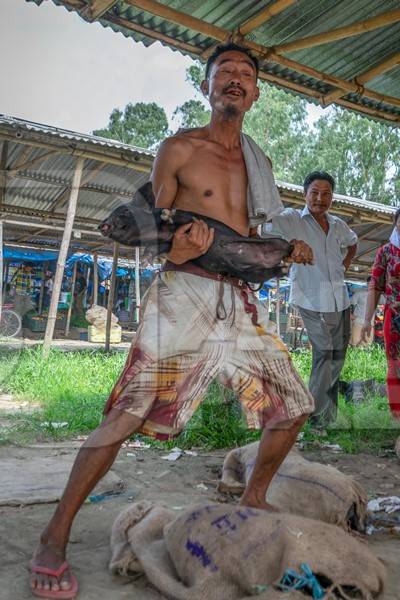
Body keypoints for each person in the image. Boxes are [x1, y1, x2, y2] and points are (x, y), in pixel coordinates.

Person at [29, 43, 315, 598]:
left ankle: (253, 498)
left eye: (246, 75)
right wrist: (177, 253)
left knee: (293, 405)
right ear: (206, 88)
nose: (235, 80)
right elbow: (152, 229)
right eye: (224, 73)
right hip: (184, 293)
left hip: (236, 301)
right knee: (128, 411)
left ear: (255, 93)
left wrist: (284, 251)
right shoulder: (179, 150)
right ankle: (53, 536)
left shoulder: (259, 162)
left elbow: (244, 245)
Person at [265, 171, 357, 428]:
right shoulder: (292, 219)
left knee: (337, 357)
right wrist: (288, 246)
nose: (320, 198)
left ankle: (327, 419)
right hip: (310, 299)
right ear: (305, 194)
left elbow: (353, 243)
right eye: (314, 193)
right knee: (323, 354)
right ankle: (315, 418)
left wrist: (344, 266)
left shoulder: (338, 224)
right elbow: (264, 230)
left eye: (326, 194)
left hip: (340, 299)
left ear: (332, 197)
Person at [361, 208, 400, 419]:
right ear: (396, 222)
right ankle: (397, 415)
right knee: (395, 365)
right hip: (394, 318)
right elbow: (375, 286)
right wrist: (367, 320)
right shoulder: (386, 252)